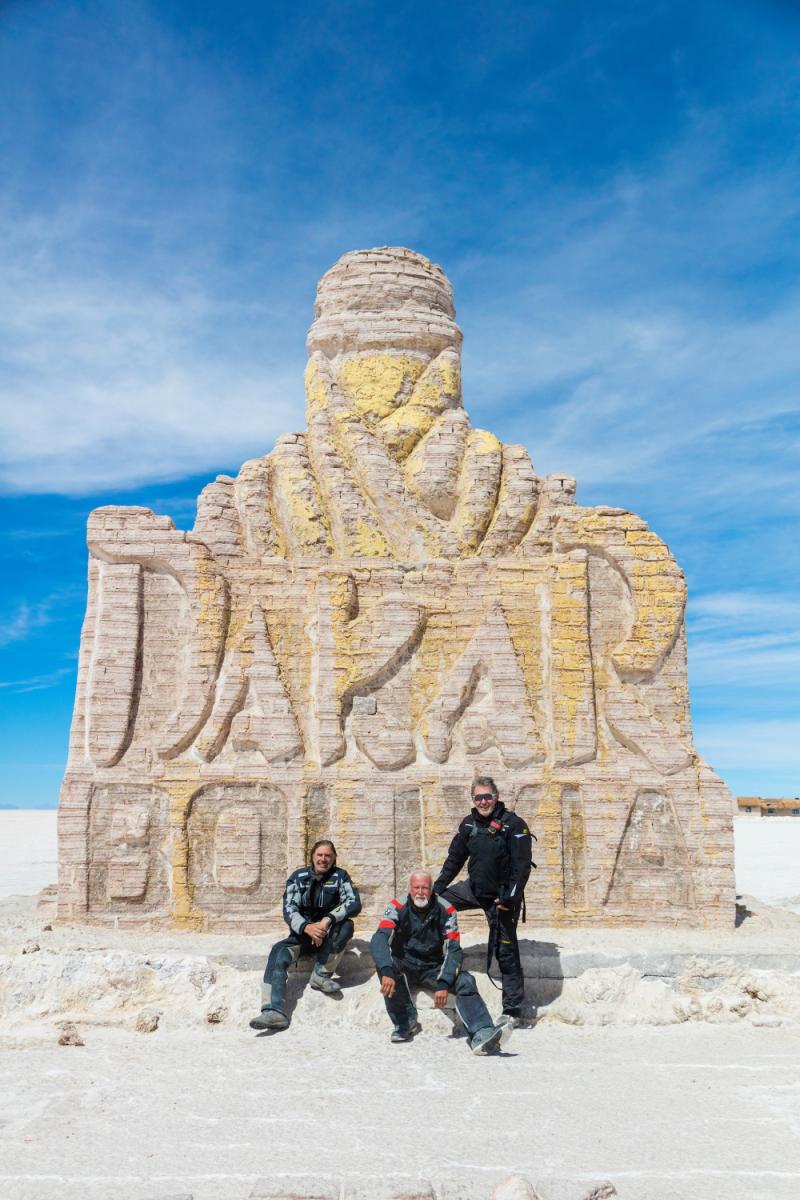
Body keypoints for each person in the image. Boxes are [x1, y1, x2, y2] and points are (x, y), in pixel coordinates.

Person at [370, 869, 508, 1055]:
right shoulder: (397, 906)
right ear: (410, 889)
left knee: (465, 980)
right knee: (385, 966)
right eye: (416, 887)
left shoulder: (447, 909)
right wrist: (387, 970)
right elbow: (380, 938)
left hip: (433, 967)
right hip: (405, 964)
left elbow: (453, 948)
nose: (420, 892)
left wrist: (443, 982)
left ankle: (482, 1032)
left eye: (425, 888)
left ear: (432, 889)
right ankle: (405, 1022)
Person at [433, 776, 532, 1026]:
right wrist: (436, 890)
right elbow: (454, 860)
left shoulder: (514, 825)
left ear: (496, 797)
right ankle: (431, 960)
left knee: (506, 951)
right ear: (473, 800)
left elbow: (521, 869)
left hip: (501, 898)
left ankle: (512, 1010)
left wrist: (510, 898)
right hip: (474, 890)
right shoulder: (469, 825)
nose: (483, 801)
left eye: (488, 796)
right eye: (479, 797)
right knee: (436, 905)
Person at [250, 839, 361, 1032]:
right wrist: (307, 928)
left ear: (334, 858)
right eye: (320, 855)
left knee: (347, 926)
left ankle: (321, 975)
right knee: (278, 952)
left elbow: (353, 903)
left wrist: (325, 921)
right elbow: (289, 909)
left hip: (328, 935)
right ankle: (273, 1010)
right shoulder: (298, 877)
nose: (323, 859)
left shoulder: (340, 876)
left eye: (328, 855)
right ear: (312, 857)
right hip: (302, 937)